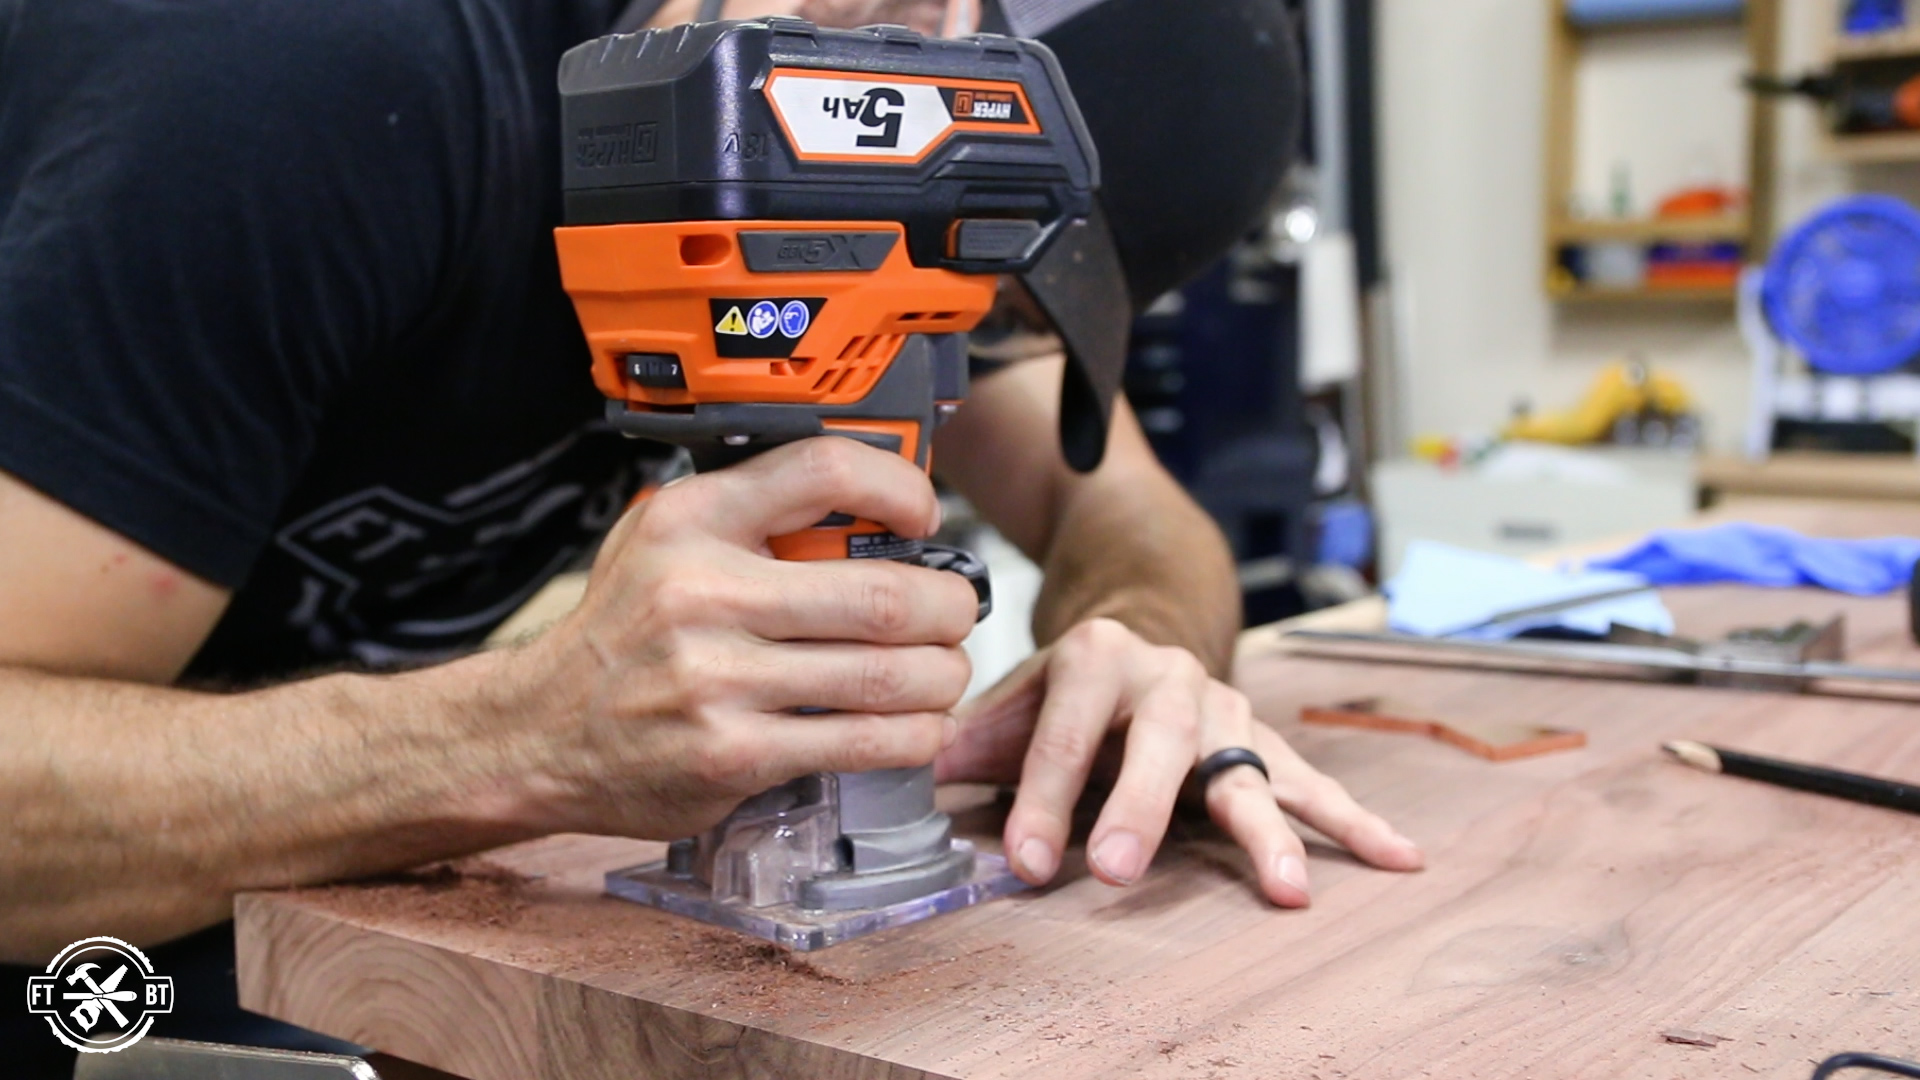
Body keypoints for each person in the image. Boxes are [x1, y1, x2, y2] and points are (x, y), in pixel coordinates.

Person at [0, 0, 1422, 1066]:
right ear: (911, 46)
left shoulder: (844, 161)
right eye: (958, 302)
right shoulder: (295, 84)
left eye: (976, 321)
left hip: (268, 876)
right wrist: (516, 739)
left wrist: (1140, 649)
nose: (948, 355)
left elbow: (1136, 518)